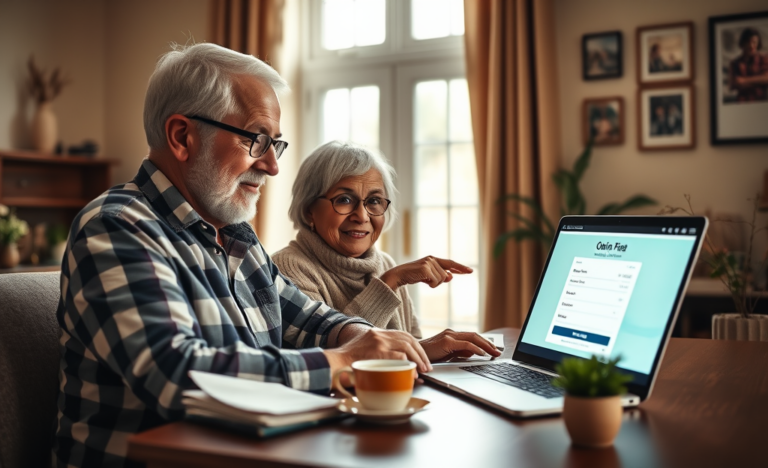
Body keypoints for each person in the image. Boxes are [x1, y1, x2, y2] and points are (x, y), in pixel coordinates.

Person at [53, 43, 499, 468]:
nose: (272, 165)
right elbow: (177, 373)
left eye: (275, 144)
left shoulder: (236, 238)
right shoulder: (118, 226)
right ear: (182, 135)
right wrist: (344, 361)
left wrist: (381, 345)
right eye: (257, 139)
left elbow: (310, 320)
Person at [273, 141, 474, 338]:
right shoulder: (285, 269)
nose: (361, 216)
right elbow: (333, 353)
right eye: (344, 199)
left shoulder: (385, 264)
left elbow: (410, 344)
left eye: (374, 201)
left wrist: (443, 348)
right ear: (309, 211)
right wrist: (389, 283)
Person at [729, 27, 768, 102]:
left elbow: (766, 78)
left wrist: (744, 81)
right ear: (743, 43)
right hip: (742, 102)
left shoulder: (764, 59)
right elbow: (732, 85)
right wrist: (759, 81)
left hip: (761, 101)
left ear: (758, 43)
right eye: (748, 42)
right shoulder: (735, 63)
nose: (751, 46)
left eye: (754, 42)